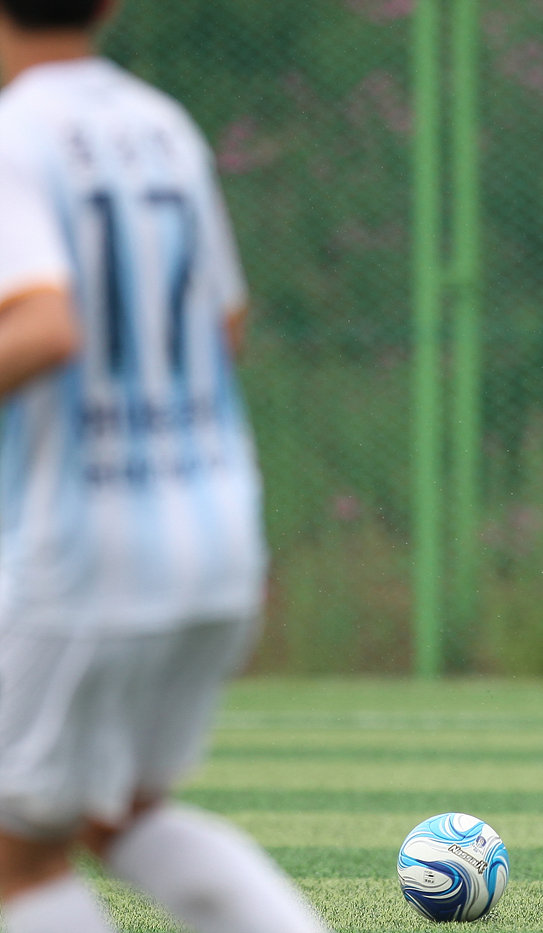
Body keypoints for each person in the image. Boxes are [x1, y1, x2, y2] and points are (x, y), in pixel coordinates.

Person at [0, 2, 328, 931]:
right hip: (212, 529)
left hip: (86, 545)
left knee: (17, 859)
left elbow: (45, 325)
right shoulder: (162, 128)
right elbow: (226, 324)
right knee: (124, 813)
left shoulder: (15, 136)